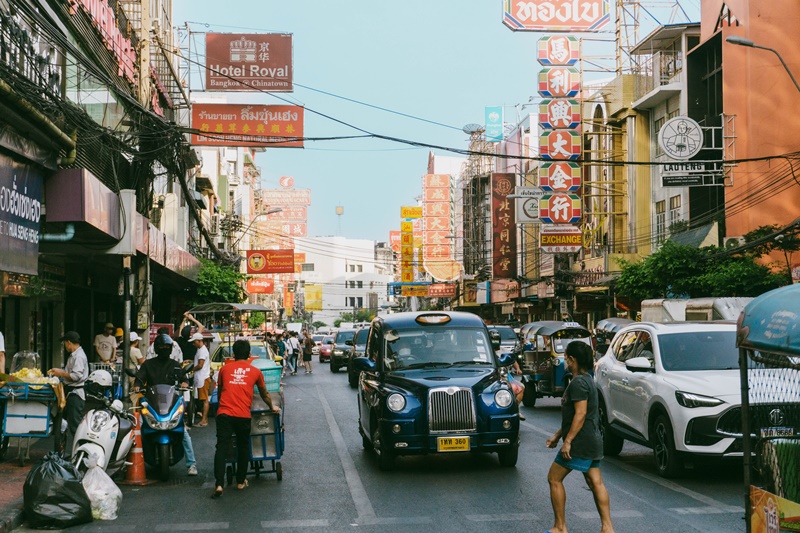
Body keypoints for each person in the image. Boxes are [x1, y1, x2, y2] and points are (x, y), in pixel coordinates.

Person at [545, 341, 614, 533]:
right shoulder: (588, 380)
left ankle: (560, 527)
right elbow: (577, 416)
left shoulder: (577, 383)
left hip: (580, 442)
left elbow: (580, 414)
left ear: (572, 360)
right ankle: (608, 528)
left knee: (554, 478)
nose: (565, 361)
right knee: (595, 482)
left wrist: (567, 442)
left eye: (566, 357)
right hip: (593, 439)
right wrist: (558, 435)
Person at [212, 339, 279, 498]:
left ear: (233, 354)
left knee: (221, 447)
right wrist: (272, 407)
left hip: (224, 413)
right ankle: (241, 481)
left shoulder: (224, 369)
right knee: (243, 446)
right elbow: (264, 394)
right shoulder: (255, 372)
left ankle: (219, 484)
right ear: (250, 355)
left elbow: (221, 391)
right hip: (243, 415)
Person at [134, 334, 198, 476]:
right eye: (161, 347)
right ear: (156, 348)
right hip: (151, 403)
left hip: (171, 404)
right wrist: (137, 385)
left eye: (166, 347)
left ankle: (192, 464)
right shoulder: (148, 365)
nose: (164, 350)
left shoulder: (175, 365)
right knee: (136, 429)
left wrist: (185, 383)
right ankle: (129, 464)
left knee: (184, 432)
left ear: (170, 349)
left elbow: (184, 378)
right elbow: (139, 378)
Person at [48, 331, 89, 455]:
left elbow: (76, 376)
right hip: (70, 392)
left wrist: (61, 373)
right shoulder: (74, 355)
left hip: (76, 394)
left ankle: (82, 453)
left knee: (75, 426)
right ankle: (63, 451)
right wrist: (58, 371)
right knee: (63, 423)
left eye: (65, 343)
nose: (65, 346)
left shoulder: (79, 356)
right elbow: (69, 373)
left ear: (69, 342)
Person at [190, 332, 211, 427]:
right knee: (203, 400)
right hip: (200, 378)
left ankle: (204, 420)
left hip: (203, 378)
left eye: (194, 342)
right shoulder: (200, 350)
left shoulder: (202, 351)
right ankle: (204, 419)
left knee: (204, 400)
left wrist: (191, 369)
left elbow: (200, 365)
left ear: (199, 341)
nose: (193, 344)